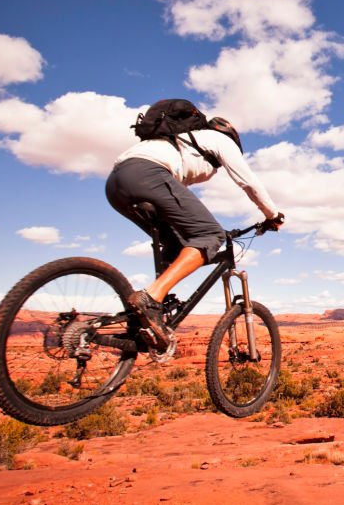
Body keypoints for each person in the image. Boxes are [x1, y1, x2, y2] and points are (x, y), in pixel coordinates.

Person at [105, 114, 283, 348]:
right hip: (147, 175)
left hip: (116, 183)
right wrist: (272, 215)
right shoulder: (220, 140)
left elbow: (179, 200)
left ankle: (142, 321)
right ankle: (150, 298)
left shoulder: (177, 142)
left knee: (178, 245)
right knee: (211, 236)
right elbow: (248, 182)